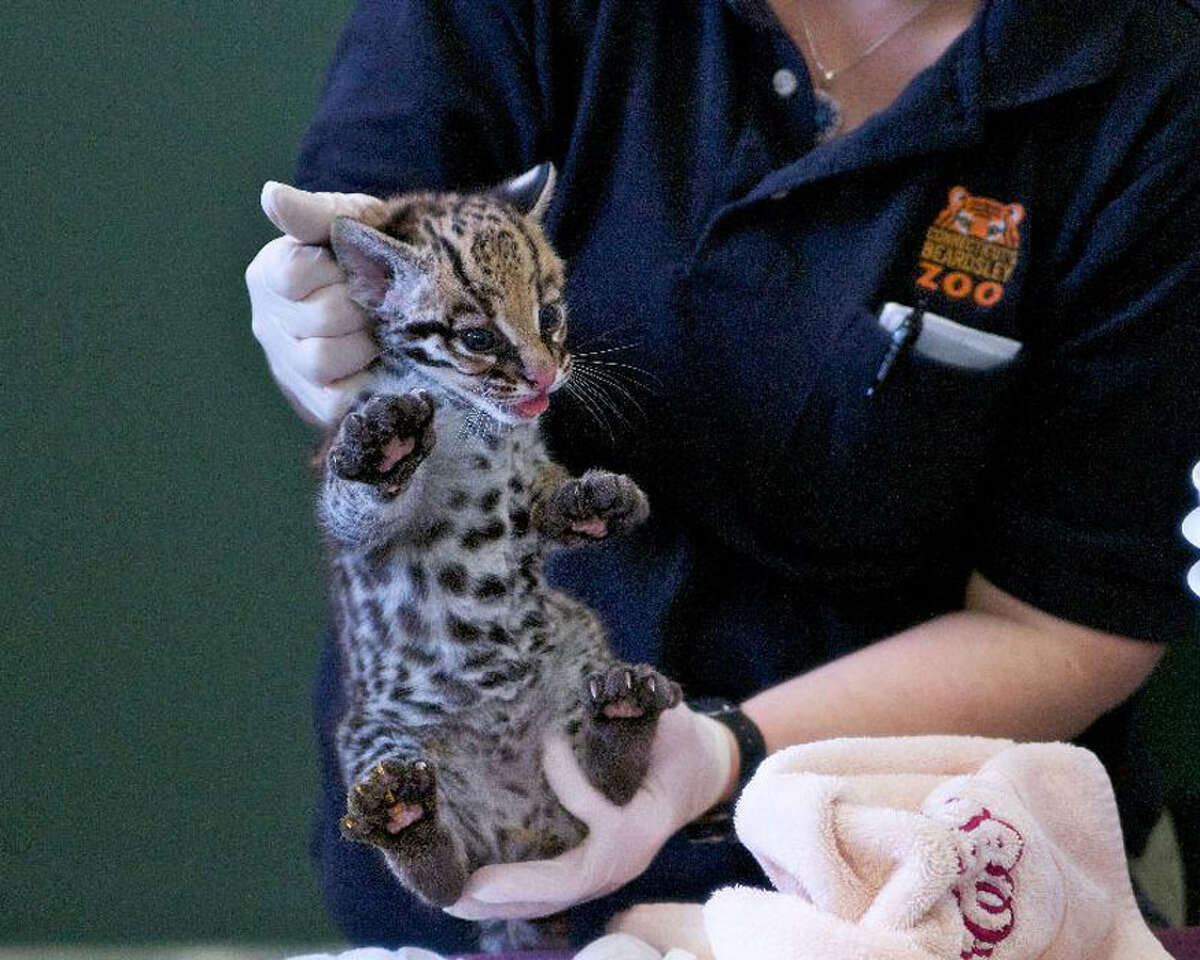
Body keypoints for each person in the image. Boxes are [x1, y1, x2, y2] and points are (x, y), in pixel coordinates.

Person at [245, 0, 1200, 950]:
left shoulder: (1153, 89)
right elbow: (372, 275)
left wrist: (711, 754)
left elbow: (1067, 617)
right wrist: (320, 335)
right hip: (485, 800)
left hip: (911, 861)